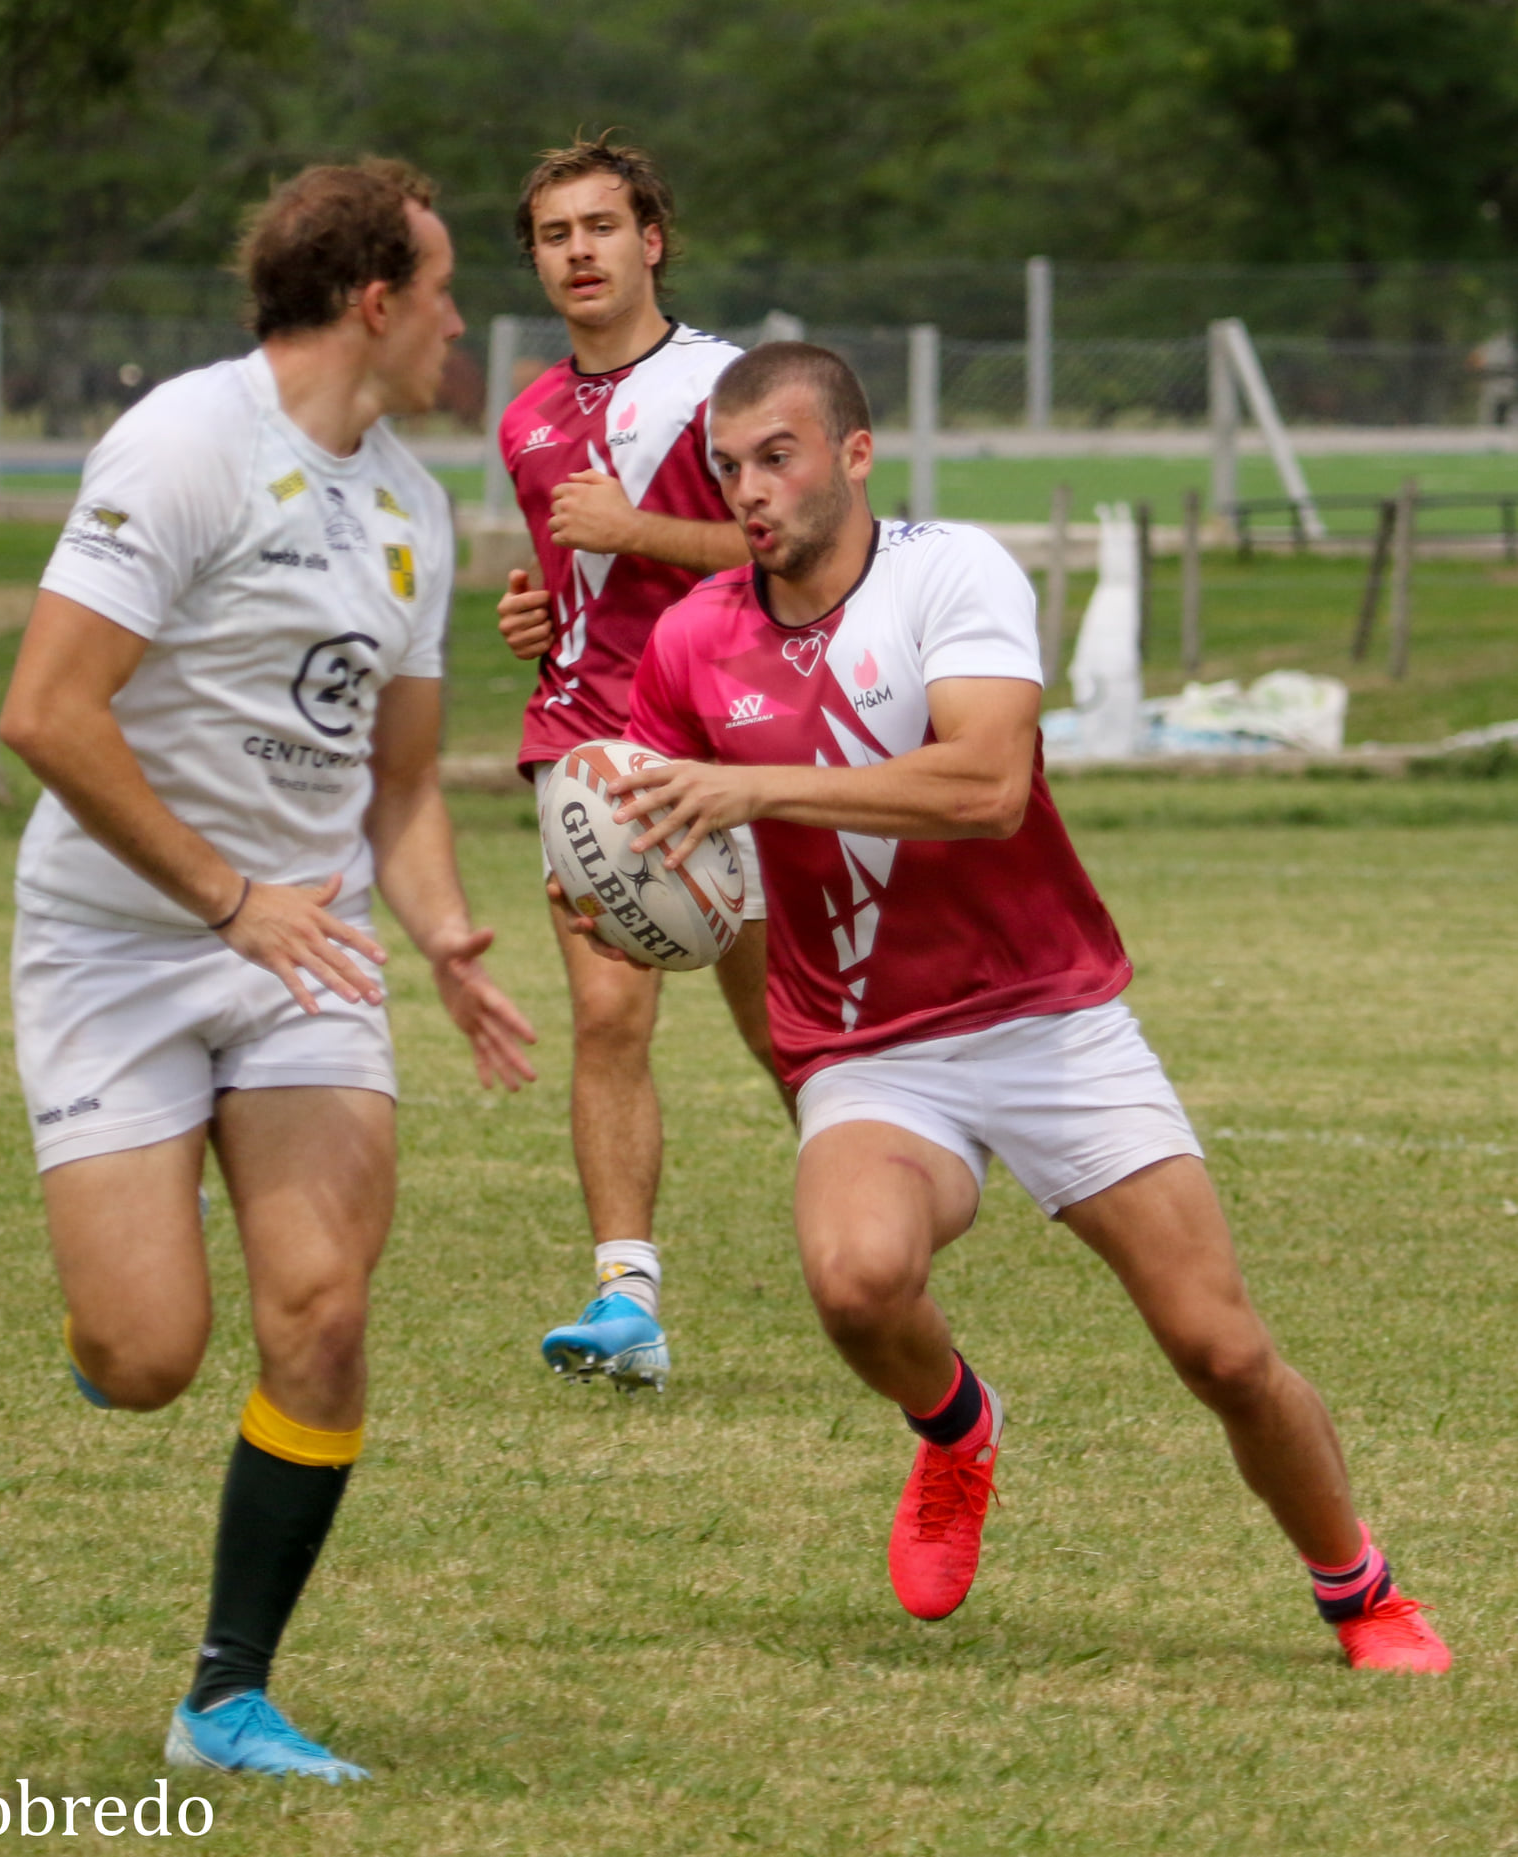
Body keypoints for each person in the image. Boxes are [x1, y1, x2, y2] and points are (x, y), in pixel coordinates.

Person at [602, 340, 1450, 1672]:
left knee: (1219, 1349)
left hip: (1047, 1016)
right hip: (869, 1047)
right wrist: (610, 881)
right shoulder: (694, 642)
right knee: (855, 1281)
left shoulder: (952, 570)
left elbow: (984, 789)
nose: (749, 490)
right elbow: (659, 838)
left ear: (854, 454)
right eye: (727, 468)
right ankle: (956, 1429)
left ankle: (1360, 1589)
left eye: (778, 455)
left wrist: (754, 792)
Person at [0, 160, 538, 1784]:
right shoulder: (185, 444)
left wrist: (439, 934)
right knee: (151, 1351)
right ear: (373, 301)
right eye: (442, 290)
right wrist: (231, 898)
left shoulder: (412, 511)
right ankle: (110, 1333)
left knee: (319, 1307)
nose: (459, 324)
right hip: (120, 935)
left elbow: (403, 782)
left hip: (305, 950)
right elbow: (47, 713)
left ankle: (225, 1696)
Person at [495, 133, 779, 1394]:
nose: (580, 253)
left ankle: (875, 1231)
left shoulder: (729, 385)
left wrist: (638, 527)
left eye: (600, 227)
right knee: (608, 1014)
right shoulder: (526, 418)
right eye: (556, 236)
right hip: (585, 747)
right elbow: (584, 592)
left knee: (790, 1027)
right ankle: (626, 1299)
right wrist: (535, 618)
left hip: (732, 743)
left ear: (649, 238)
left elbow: (804, 553)